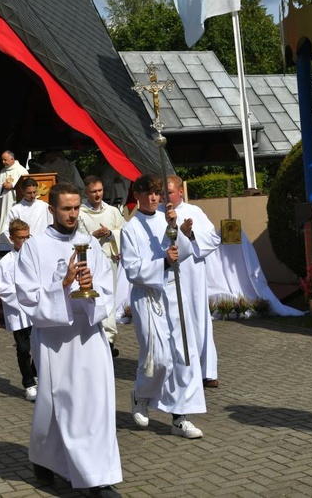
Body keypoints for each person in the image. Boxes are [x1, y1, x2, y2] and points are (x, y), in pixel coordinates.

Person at [14, 183, 121, 496]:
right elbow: (27, 296)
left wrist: (91, 290)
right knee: (61, 407)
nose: (73, 214)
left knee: (97, 406)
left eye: (76, 208)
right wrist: (64, 284)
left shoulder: (89, 244)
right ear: (52, 209)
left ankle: (97, 477)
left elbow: (107, 292)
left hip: (89, 337)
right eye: (66, 209)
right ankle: (50, 460)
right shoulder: (34, 248)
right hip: (54, 340)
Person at [120, 174, 206, 439]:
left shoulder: (167, 220)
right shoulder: (130, 229)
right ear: (138, 196)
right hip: (148, 295)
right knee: (158, 357)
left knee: (184, 354)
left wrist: (182, 234)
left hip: (173, 291)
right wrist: (163, 263)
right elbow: (133, 270)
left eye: (157, 194)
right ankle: (141, 394)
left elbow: (182, 253)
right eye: (148, 194)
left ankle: (180, 416)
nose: (154, 198)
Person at [164, 175, 221, 387]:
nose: (165, 196)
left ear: (180, 192)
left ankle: (207, 370)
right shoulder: (157, 214)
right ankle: (179, 369)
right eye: (162, 192)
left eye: (169, 191)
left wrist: (191, 234)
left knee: (198, 319)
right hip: (170, 273)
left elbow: (213, 239)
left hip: (192, 274)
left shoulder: (194, 212)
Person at [77, 175, 126, 357]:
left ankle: (109, 337)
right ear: (86, 193)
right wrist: (93, 235)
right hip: (90, 261)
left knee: (109, 296)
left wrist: (111, 234)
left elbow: (124, 231)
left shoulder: (112, 211)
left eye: (100, 191)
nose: (97, 195)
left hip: (109, 260)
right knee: (93, 297)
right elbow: (77, 236)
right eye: (93, 191)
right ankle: (94, 335)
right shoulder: (81, 213)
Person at [0, 219, 38, 401]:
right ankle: (28, 383)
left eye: (28, 237)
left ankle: (37, 375)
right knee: (23, 349)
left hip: (37, 309)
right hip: (19, 312)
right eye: (21, 238)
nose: (25, 241)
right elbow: (4, 290)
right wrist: (24, 300)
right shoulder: (5, 263)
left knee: (39, 345)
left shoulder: (36, 257)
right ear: (12, 239)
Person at [0, 177, 51, 248]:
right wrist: (18, 245)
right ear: (22, 191)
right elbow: (6, 230)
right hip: (24, 247)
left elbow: (52, 225)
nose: (32, 195)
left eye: (34, 192)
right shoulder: (16, 210)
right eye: (29, 193)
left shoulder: (44, 206)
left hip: (43, 245)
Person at [0, 150, 28, 251]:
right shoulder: (3, 171)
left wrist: (12, 185)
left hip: (16, 200)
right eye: (2, 160)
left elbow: (27, 183)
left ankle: (18, 244)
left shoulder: (21, 170)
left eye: (5, 160)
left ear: (12, 159)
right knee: (4, 222)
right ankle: (5, 245)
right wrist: (2, 186)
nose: (3, 162)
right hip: (5, 202)